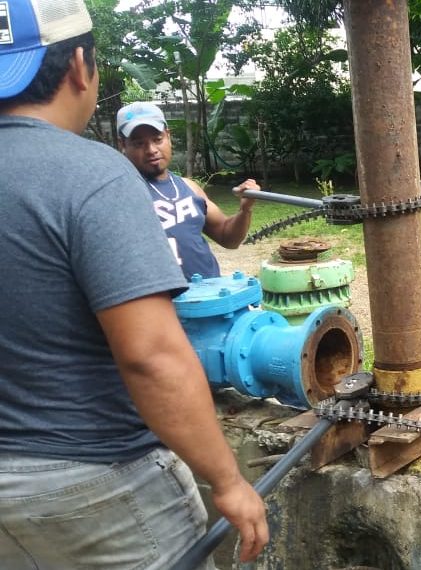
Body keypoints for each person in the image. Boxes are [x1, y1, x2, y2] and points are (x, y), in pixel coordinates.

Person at [0, 1, 268, 567]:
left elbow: (226, 235)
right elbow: (149, 355)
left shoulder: (186, 188)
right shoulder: (93, 173)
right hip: (95, 481)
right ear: (80, 66)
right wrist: (226, 479)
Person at [117, 101, 259, 280]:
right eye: (139, 144)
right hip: (162, 297)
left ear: (168, 136)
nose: (151, 150)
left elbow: (228, 238)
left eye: (157, 139)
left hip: (210, 292)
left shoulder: (188, 187)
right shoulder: (121, 197)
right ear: (122, 145)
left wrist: (245, 210)